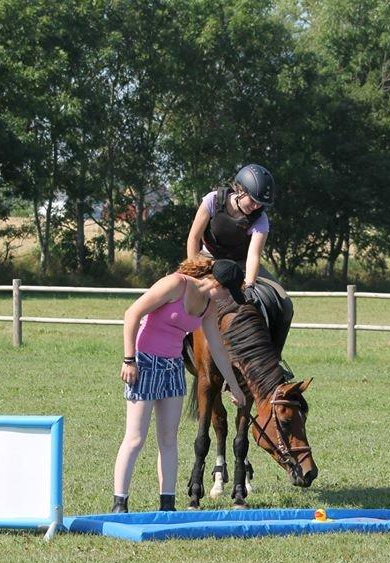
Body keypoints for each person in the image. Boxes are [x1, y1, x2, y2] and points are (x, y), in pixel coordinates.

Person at [112, 257, 246, 513]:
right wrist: (129, 360)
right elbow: (132, 313)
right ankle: (120, 503)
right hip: (144, 362)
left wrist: (235, 387)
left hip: (173, 367)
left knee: (169, 438)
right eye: (228, 292)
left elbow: (217, 348)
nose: (228, 299)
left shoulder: (209, 306)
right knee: (135, 437)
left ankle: (167, 504)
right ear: (217, 283)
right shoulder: (176, 284)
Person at [186, 164, 294, 374]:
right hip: (207, 258)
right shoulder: (212, 201)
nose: (255, 206)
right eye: (253, 200)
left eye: (260, 203)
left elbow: (254, 254)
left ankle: (275, 359)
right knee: (175, 292)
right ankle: (177, 350)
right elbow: (194, 237)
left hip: (242, 264)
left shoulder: (260, 219)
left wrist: (250, 284)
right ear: (240, 190)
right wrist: (193, 268)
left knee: (285, 302)